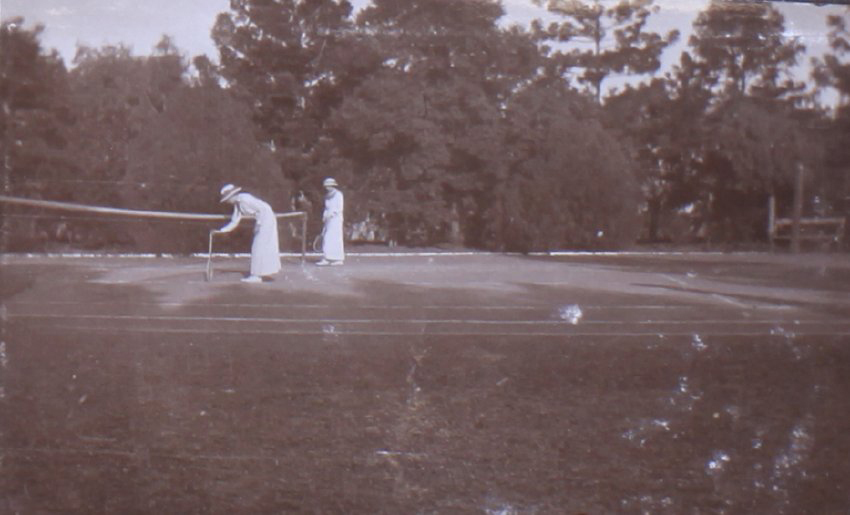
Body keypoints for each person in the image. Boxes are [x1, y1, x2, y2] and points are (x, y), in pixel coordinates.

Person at [214, 184, 281, 283]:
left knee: (258, 247)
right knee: (259, 247)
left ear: (232, 195)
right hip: (263, 220)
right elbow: (234, 221)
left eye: (227, 199)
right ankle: (259, 273)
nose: (227, 201)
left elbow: (263, 209)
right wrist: (221, 231)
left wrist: (259, 224)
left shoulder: (245, 198)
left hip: (266, 219)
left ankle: (256, 275)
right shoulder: (238, 205)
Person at [317, 177, 344, 266]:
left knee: (335, 239)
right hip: (328, 220)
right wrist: (325, 216)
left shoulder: (338, 195)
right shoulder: (327, 196)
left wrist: (331, 215)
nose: (327, 187)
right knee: (327, 238)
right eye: (326, 186)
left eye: (329, 186)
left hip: (336, 220)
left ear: (333, 185)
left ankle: (338, 259)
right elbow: (326, 208)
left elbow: (339, 208)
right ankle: (327, 258)